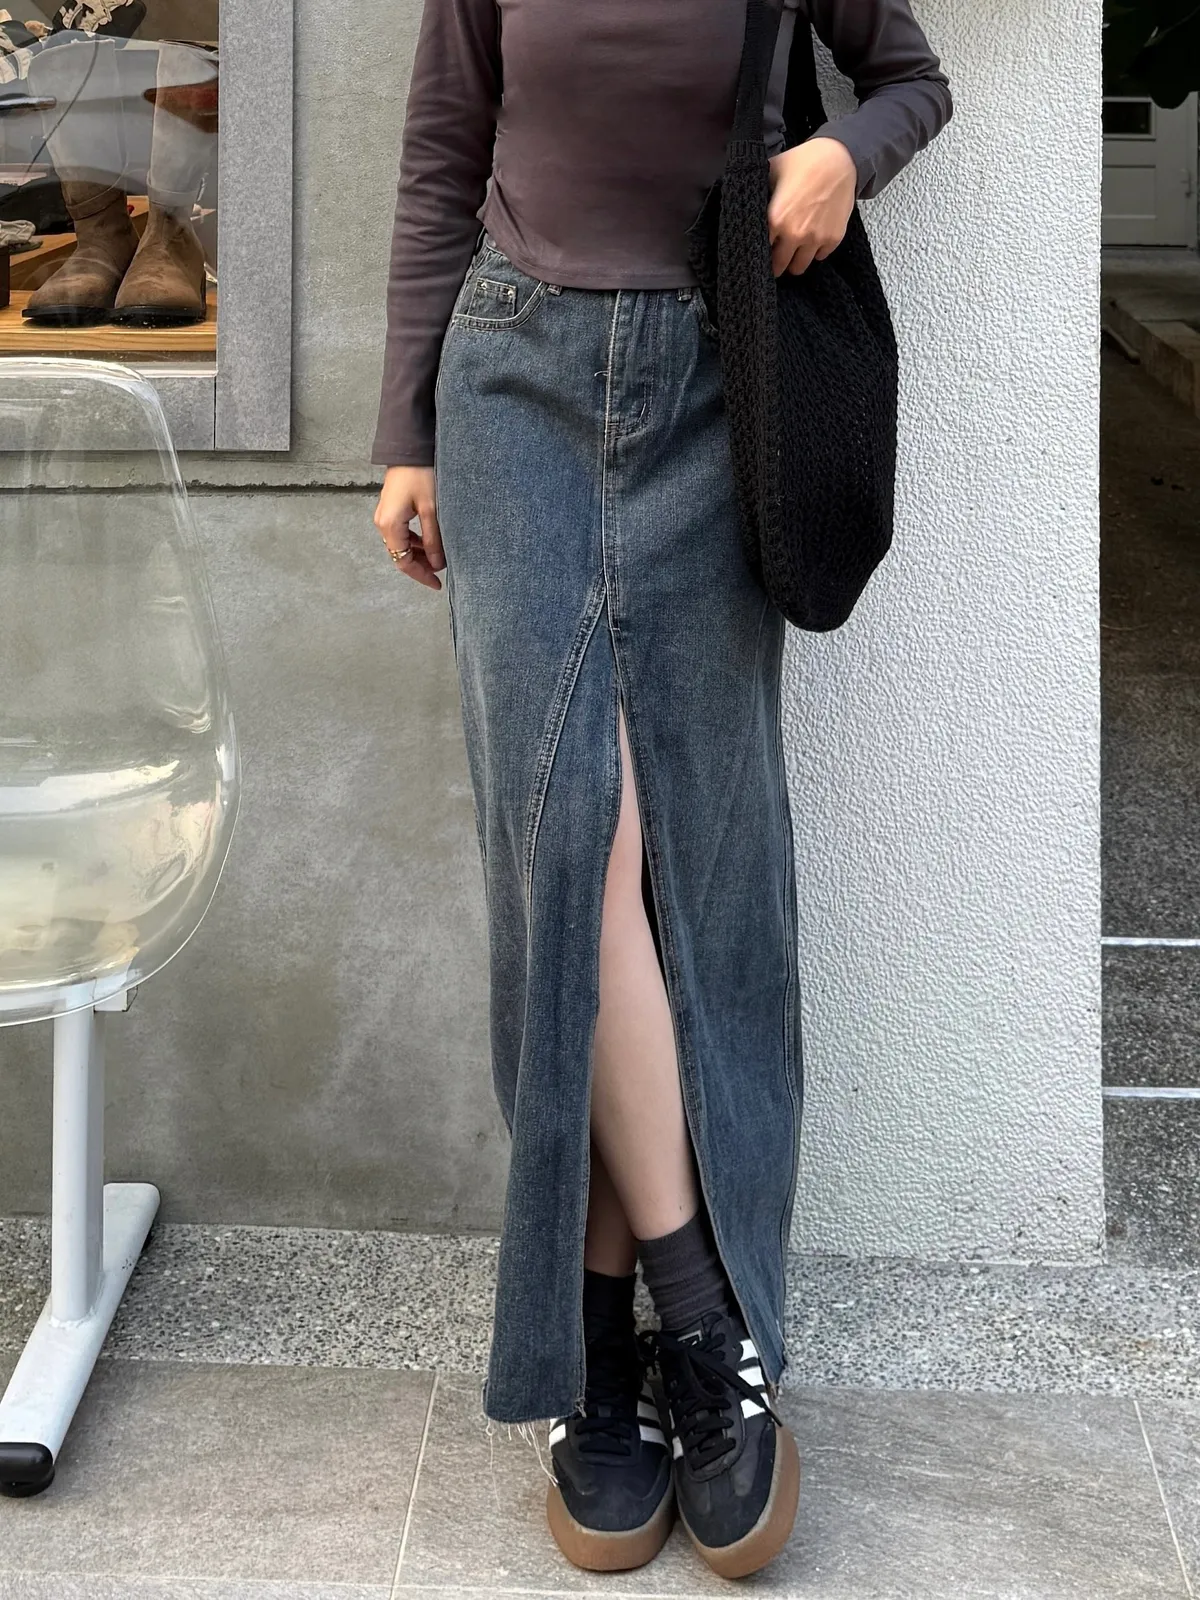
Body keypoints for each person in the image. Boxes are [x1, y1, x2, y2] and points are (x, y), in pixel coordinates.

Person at [370, 0, 952, 1578]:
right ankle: (701, 1321)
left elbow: (912, 79)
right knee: (566, 844)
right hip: (513, 381)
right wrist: (405, 429)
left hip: (718, 380)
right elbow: (440, 160)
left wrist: (843, 153)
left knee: (701, 868)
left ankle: (599, 1342)